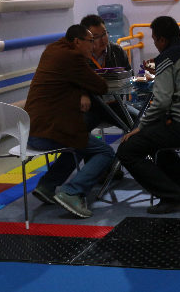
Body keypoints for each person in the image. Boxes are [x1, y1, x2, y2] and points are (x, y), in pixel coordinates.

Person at [116, 16, 180, 214]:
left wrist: (140, 127)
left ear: (162, 40)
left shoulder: (167, 57)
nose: (155, 45)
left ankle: (172, 196)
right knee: (154, 138)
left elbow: (161, 102)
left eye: (155, 40)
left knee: (127, 150)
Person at [26, 25, 114, 219]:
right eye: (90, 42)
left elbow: (72, 79)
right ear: (77, 42)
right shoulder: (72, 58)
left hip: (31, 130)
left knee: (79, 143)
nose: (93, 46)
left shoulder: (52, 49)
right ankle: (72, 192)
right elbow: (101, 86)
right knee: (105, 152)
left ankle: (47, 185)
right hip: (48, 132)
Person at [80, 14, 131, 133]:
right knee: (76, 132)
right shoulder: (79, 56)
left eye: (104, 34)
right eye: (96, 37)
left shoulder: (117, 51)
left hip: (116, 104)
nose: (102, 39)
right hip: (91, 108)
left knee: (139, 125)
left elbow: (129, 75)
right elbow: (72, 82)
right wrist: (83, 94)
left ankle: (128, 145)